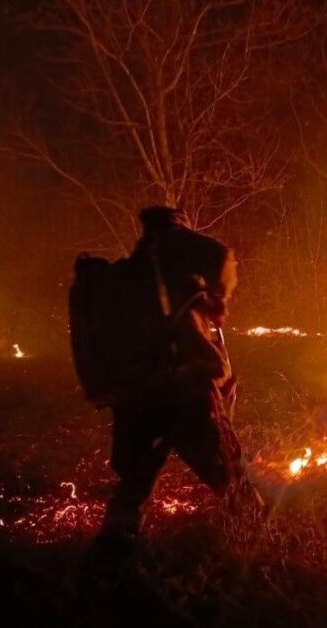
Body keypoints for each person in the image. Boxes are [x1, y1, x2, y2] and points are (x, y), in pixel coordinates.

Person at [95, 206, 262, 552]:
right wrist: (220, 302)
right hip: (183, 388)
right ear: (176, 223)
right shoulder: (178, 244)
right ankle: (260, 542)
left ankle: (115, 548)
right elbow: (224, 259)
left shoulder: (132, 269)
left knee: (135, 481)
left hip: (137, 393)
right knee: (227, 470)